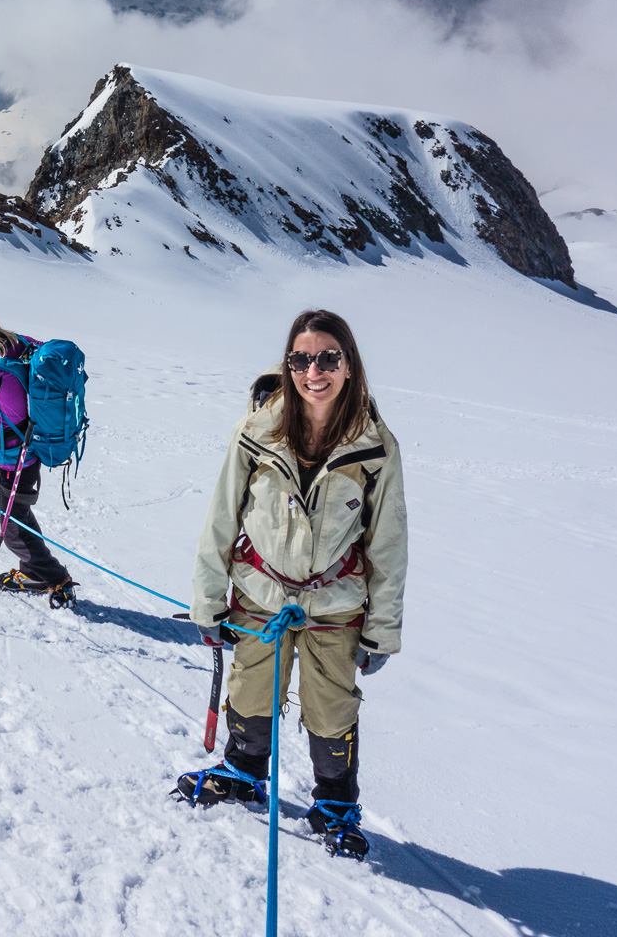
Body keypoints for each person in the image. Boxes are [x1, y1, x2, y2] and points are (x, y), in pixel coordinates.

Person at [174, 309, 407, 862]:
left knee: (332, 708)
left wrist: (382, 630)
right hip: (260, 594)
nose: (314, 371)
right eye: (301, 359)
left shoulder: (375, 447)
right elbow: (221, 518)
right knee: (252, 690)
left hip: (336, 605)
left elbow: (389, 545)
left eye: (328, 357)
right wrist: (207, 600)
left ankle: (335, 803)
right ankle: (243, 769)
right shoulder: (256, 433)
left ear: (349, 365)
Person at [0, 299, 75, 606]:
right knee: (19, 516)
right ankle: (32, 571)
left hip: (11, 455)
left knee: (11, 530)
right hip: (35, 444)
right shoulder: (23, 343)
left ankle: (55, 577)